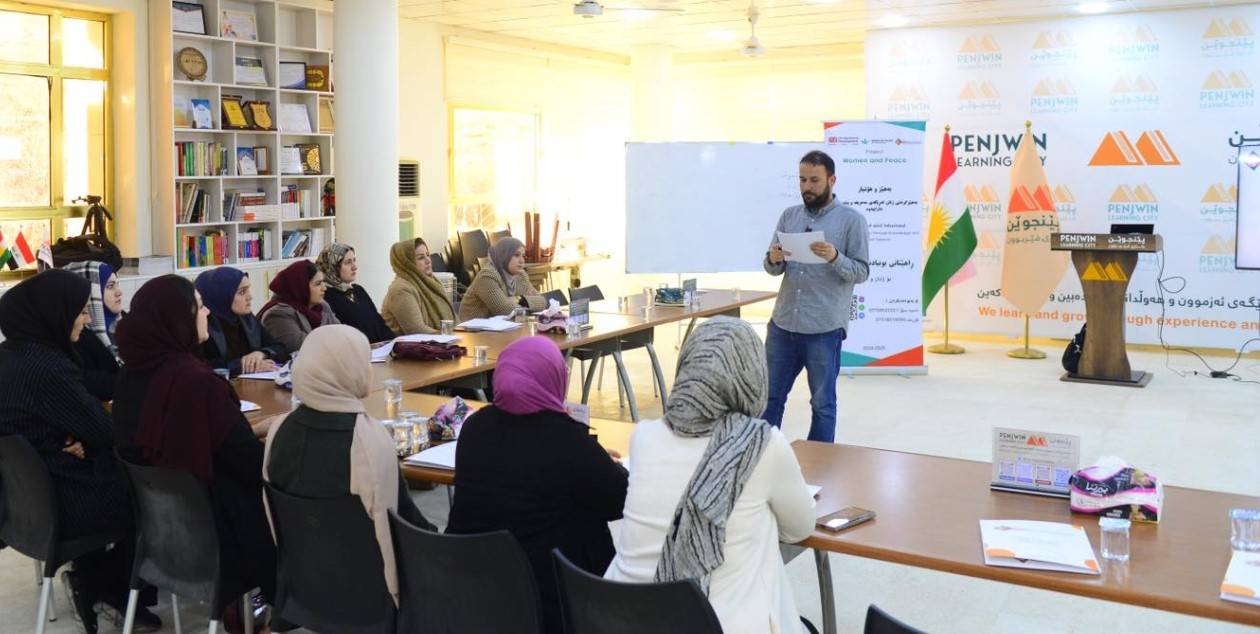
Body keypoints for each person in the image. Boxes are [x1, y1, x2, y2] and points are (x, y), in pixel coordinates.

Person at [604, 317, 816, 634]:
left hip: (624, 619)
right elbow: (800, 527)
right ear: (751, 375)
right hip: (717, 625)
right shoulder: (763, 444)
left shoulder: (645, 436)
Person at [0, 270, 160, 632]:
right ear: (54, 313)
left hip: (23, 503)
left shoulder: (11, 356)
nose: (87, 320)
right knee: (146, 493)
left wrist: (79, 437)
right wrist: (88, 436)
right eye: (81, 311)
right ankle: (107, 589)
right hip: (60, 499)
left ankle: (100, 585)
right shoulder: (47, 368)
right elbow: (105, 430)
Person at [112, 275, 277, 627]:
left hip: (159, 534)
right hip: (218, 533)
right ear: (177, 319)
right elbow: (250, 464)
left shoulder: (130, 376)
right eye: (199, 307)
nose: (207, 313)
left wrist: (244, 429)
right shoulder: (197, 382)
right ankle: (277, 601)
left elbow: (178, 438)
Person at [446, 336, 627, 634]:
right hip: (553, 601)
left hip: (475, 589)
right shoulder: (569, 441)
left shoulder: (475, 426)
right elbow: (620, 500)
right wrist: (602, 462)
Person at [263, 325, 436, 605]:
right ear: (344, 371)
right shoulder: (367, 440)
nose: (369, 370)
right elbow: (406, 523)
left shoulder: (279, 431)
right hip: (370, 593)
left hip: (302, 585)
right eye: (364, 362)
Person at [762, 150, 869, 442]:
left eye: (814, 180)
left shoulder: (852, 221)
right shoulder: (789, 216)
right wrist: (773, 258)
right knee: (768, 398)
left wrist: (835, 257)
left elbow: (861, 272)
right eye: (802, 180)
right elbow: (772, 268)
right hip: (783, 325)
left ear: (832, 180)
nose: (806, 187)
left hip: (823, 329)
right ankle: (763, 457)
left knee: (822, 405)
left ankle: (821, 464)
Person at [196, 267, 289, 376]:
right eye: (242, 292)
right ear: (221, 295)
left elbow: (281, 349)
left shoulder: (247, 319)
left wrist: (261, 353)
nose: (250, 297)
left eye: (248, 290)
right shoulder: (202, 325)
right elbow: (199, 366)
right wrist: (243, 366)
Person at [62, 260, 125, 401]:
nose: (119, 292)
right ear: (91, 292)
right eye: (110, 286)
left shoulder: (127, 323)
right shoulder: (76, 336)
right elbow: (86, 383)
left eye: (117, 285)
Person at [316, 243, 396, 343]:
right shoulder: (326, 297)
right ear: (332, 267)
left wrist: (393, 343)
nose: (354, 267)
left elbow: (378, 322)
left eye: (354, 260)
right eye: (348, 262)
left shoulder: (358, 290)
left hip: (380, 350)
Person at [258, 259, 340, 353]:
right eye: (318, 284)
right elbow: (304, 347)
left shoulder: (321, 306)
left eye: (323, 282)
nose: (324, 288)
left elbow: (341, 334)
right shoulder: (278, 315)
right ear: (300, 286)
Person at [456, 236, 545, 322]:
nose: (522, 261)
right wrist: (529, 304)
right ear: (504, 255)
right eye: (516, 255)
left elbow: (543, 302)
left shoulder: (521, 275)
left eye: (523, 256)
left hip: (504, 327)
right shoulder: (487, 276)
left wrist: (520, 299)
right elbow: (506, 311)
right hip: (473, 330)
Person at [380, 238, 455, 335]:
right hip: (411, 344)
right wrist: (449, 335)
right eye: (421, 258)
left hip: (436, 341)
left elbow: (450, 321)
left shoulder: (432, 282)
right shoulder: (400, 289)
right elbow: (417, 331)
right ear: (407, 263)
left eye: (427, 255)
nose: (428, 260)